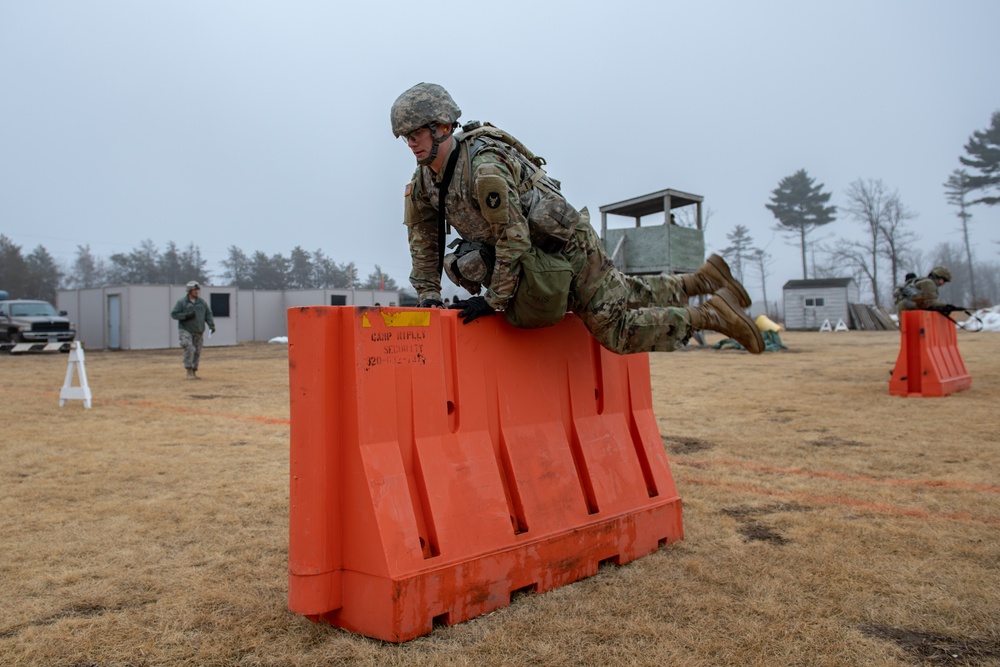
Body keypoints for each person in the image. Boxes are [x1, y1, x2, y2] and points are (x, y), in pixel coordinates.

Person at [391, 82, 764, 354]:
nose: (411, 143)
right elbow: (423, 239)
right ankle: (702, 281)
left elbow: (513, 237)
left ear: (442, 127)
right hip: (540, 260)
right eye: (405, 138)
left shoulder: (484, 168)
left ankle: (712, 315)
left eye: (417, 133)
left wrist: (494, 301)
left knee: (614, 329)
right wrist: (428, 295)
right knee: (626, 293)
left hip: (569, 249)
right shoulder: (424, 182)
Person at [171, 281, 215, 379]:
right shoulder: (182, 302)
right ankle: (188, 371)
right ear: (189, 290)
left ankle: (194, 372)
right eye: (194, 290)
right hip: (186, 330)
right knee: (189, 348)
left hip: (198, 330)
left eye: (197, 290)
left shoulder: (202, 302)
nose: (196, 292)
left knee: (197, 351)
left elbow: (208, 314)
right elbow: (174, 314)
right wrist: (185, 316)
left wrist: (211, 326)